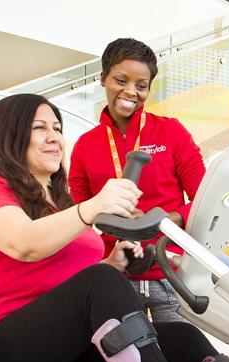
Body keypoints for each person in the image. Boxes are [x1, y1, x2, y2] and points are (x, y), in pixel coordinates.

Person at [0, 93, 229, 362]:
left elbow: (68, 280)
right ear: (9, 136)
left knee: (181, 337)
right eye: (39, 128)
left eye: (58, 128)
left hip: (58, 345)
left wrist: (115, 262)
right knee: (99, 280)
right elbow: (25, 244)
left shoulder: (59, 204)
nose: (54, 138)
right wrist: (92, 208)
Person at [69, 38, 205, 323]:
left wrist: (164, 220)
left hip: (170, 273)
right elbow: (75, 218)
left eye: (141, 86)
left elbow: (205, 200)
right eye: (121, 80)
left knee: (180, 355)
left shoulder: (172, 132)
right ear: (103, 78)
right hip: (114, 275)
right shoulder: (85, 146)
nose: (130, 91)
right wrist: (108, 217)